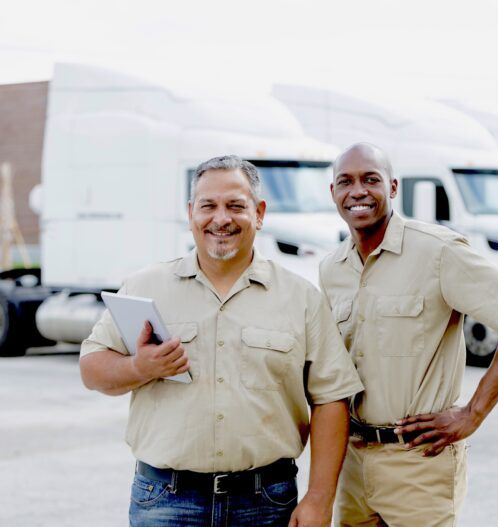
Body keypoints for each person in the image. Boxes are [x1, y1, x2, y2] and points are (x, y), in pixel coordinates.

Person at [80, 155, 364, 527]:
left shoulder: (301, 298)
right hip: (166, 503)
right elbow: (92, 369)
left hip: (267, 503)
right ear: (190, 213)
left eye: (235, 206)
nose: (221, 219)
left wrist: (319, 498)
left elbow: (331, 398)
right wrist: (138, 367)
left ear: (259, 213)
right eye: (208, 206)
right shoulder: (145, 287)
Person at [319, 143, 498, 527]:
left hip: (417, 463)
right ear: (334, 193)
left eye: (370, 179)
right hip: (353, 463)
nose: (357, 191)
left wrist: (473, 413)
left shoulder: (438, 251)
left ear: (392, 188)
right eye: (346, 182)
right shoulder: (331, 269)